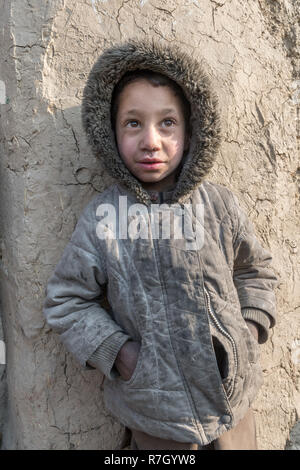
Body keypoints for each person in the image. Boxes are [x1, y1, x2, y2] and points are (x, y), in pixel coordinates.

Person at [43, 39, 278, 450]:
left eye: (166, 122)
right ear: (110, 131)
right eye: (133, 123)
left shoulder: (218, 205)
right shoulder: (104, 218)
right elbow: (66, 300)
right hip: (154, 417)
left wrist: (247, 328)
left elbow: (255, 270)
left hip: (232, 408)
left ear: (190, 131)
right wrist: (122, 355)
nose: (151, 140)